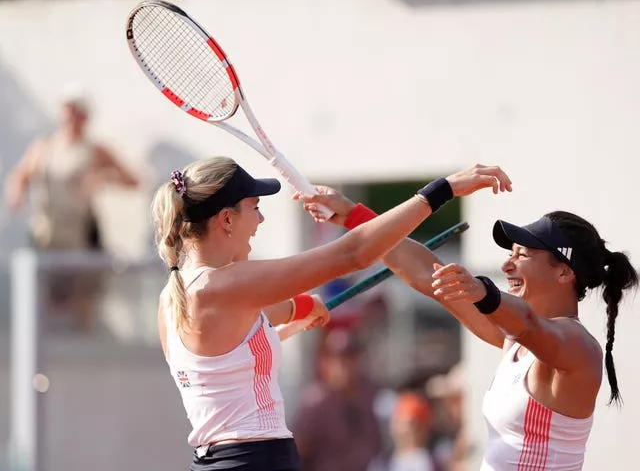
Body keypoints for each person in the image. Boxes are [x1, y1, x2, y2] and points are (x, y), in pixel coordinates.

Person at [151, 157, 510, 470]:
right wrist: (441, 190)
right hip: (254, 460)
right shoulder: (224, 285)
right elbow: (352, 255)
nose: (260, 220)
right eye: (255, 207)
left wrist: (303, 307)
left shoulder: (177, 296)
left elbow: (254, 330)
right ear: (226, 219)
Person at [299, 178, 637, 470]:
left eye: (522, 254)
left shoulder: (578, 347)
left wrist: (483, 292)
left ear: (564, 271)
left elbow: (531, 323)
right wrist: (355, 216)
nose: (507, 264)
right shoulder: (515, 339)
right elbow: (423, 272)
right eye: (511, 253)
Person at [4, 91, 139, 331]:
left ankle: (82, 348)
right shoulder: (43, 148)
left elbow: (133, 180)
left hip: (80, 235)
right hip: (48, 233)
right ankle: (39, 350)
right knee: (43, 292)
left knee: (82, 293)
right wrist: (17, 193)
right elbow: (20, 176)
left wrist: (103, 177)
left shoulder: (95, 150)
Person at [292, 328, 381, 471]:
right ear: (324, 363)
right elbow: (295, 455)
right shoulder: (315, 403)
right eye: (336, 359)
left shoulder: (368, 397)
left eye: (348, 358)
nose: (342, 366)